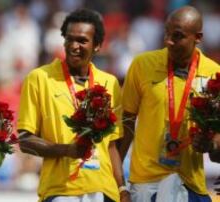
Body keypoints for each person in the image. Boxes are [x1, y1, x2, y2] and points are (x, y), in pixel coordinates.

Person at [17, 8, 130, 202]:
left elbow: (111, 145)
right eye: (69, 39)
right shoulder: (39, 78)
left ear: (97, 46)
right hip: (60, 190)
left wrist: (121, 188)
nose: (73, 46)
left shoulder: (109, 83)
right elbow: (25, 140)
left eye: (82, 41)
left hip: (103, 191)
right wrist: (67, 150)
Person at [118, 6, 220, 202]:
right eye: (166, 33)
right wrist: (118, 183)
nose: (168, 41)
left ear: (198, 38)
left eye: (177, 36)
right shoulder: (142, 65)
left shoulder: (214, 74)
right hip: (147, 184)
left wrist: (211, 144)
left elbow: (217, 137)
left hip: (191, 183)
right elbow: (127, 124)